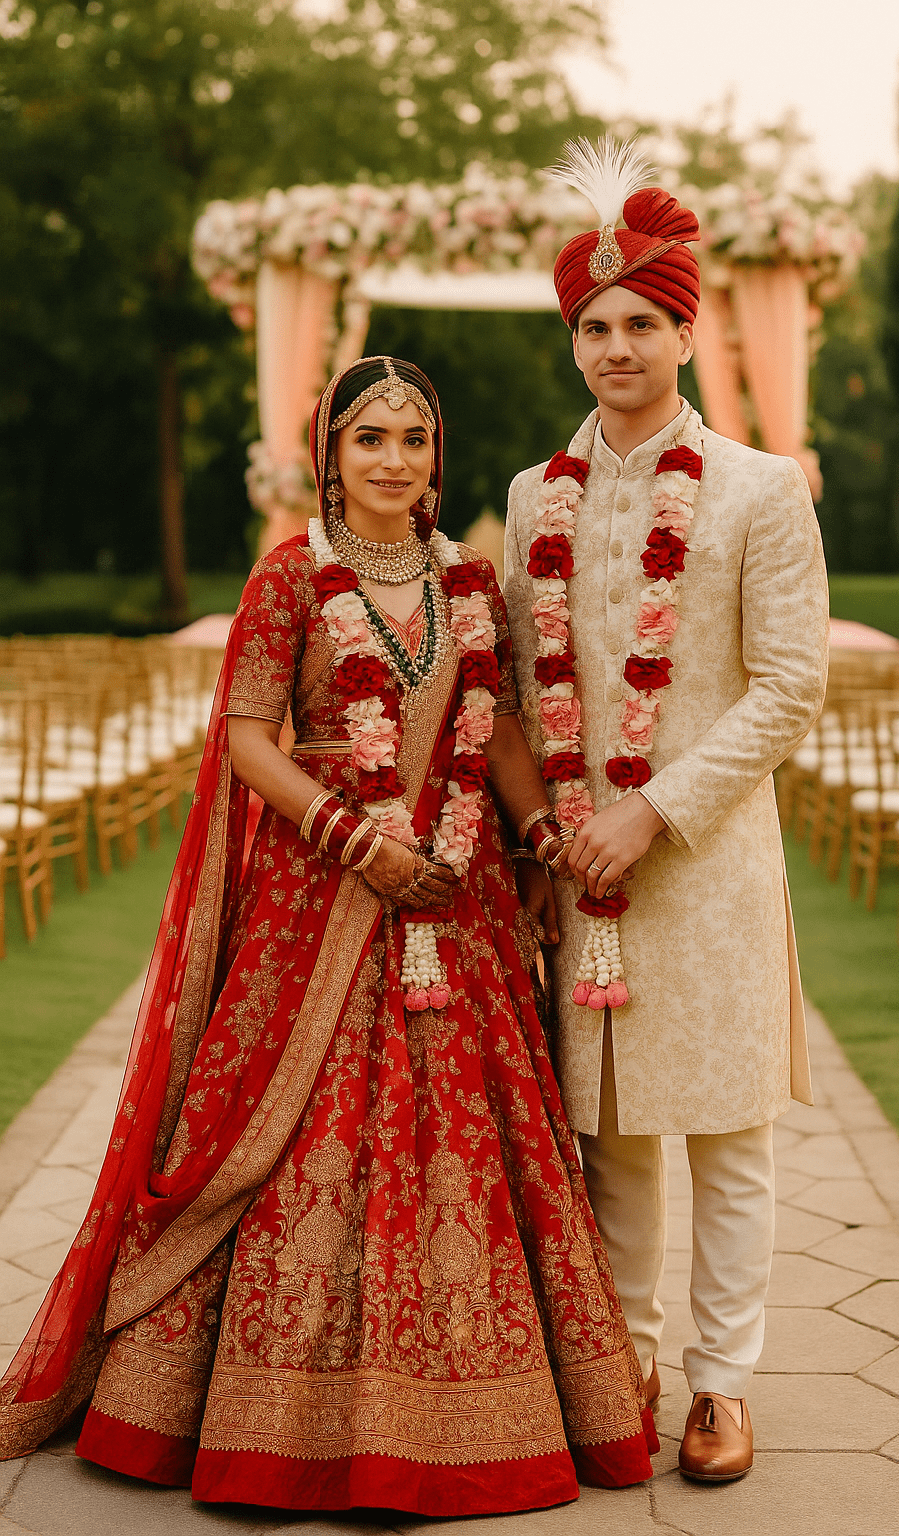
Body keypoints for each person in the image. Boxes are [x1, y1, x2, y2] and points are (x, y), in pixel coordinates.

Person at [0, 356, 657, 1518]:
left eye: (414, 439)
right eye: (369, 439)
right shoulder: (289, 580)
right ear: (329, 455)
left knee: (466, 1141)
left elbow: (497, 728)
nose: (393, 461)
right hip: (319, 899)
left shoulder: (472, 584)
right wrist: (354, 838)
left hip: (457, 901)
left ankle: (473, 1412)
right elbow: (249, 736)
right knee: (284, 1134)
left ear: (437, 458)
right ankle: (262, 1422)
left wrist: (539, 835)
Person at [503, 140, 830, 1483]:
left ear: (687, 332)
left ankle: (724, 1384)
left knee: (729, 1134)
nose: (617, 346)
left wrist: (658, 810)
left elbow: (792, 685)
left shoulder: (760, 489)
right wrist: (550, 835)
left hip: (708, 863)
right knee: (616, 1127)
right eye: (595, 325)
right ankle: (622, 1360)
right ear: (573, 341)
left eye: (642, 323)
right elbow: (522, 689)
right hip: (583, 867)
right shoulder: (534, 497)